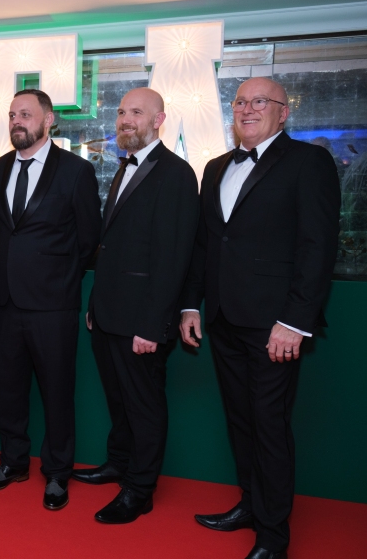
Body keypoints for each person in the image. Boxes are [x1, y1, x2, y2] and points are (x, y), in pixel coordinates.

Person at [179, 77, 340, 559]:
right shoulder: (215, 167)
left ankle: (273, 535)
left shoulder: (309, 162)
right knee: (241, 420)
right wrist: (190, 304)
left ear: (283, 112)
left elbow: (317, 247)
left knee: (269, 424)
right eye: (240, 102)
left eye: (260, 102)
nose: (248, 109)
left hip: (275, 325)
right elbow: (206, 245)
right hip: (224, 318)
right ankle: (251, 504)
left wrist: (295, 321)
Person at [77, 88, 199, 522]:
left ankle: (140, 489)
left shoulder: (177, 173)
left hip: (141, 321)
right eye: (121, 112)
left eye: (137, 112)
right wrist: (96, 303)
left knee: (144, 406)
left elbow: (174, 258)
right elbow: (113, 247)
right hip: (109, 313)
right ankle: (119, 463)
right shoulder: (124, 166)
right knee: (119, 400)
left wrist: (152, 324)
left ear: (159, 120)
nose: (125, 119)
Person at [0, 89, 101, 510]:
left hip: (53, 304)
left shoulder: (76, 171)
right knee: (8, 390)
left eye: (26, 115)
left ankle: (58, 472)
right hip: (6, 301)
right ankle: (13, 463)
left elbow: (89, 239)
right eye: (13, 114)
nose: (17, 121)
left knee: (57, 392)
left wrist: (58, 278)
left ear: (48, 120)